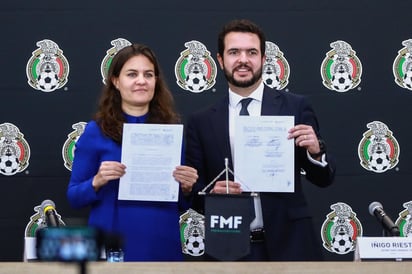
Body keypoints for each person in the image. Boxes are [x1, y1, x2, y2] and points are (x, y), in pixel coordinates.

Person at [185, 19, 336, 261]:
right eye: (234, 52)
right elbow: (193, 192)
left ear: (264, 58)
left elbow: (324, 178)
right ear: (220, 60)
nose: (243, 59)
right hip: (229, 246)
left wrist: (316, 153)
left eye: (251, 52)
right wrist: (212, 193)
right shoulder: (201, 121)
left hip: (291, 244)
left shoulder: (296, 107)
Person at [67, 44, 198, 261]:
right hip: (113, 241)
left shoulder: (171, 132)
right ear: (116, 81)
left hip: (162, 241)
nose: (141, 81)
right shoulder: (96, 131)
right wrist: (97, 180)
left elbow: (182, 203)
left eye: (148, 74)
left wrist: (186, 188)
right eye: (132, 74)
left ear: (156, 81)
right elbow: (74, 197)